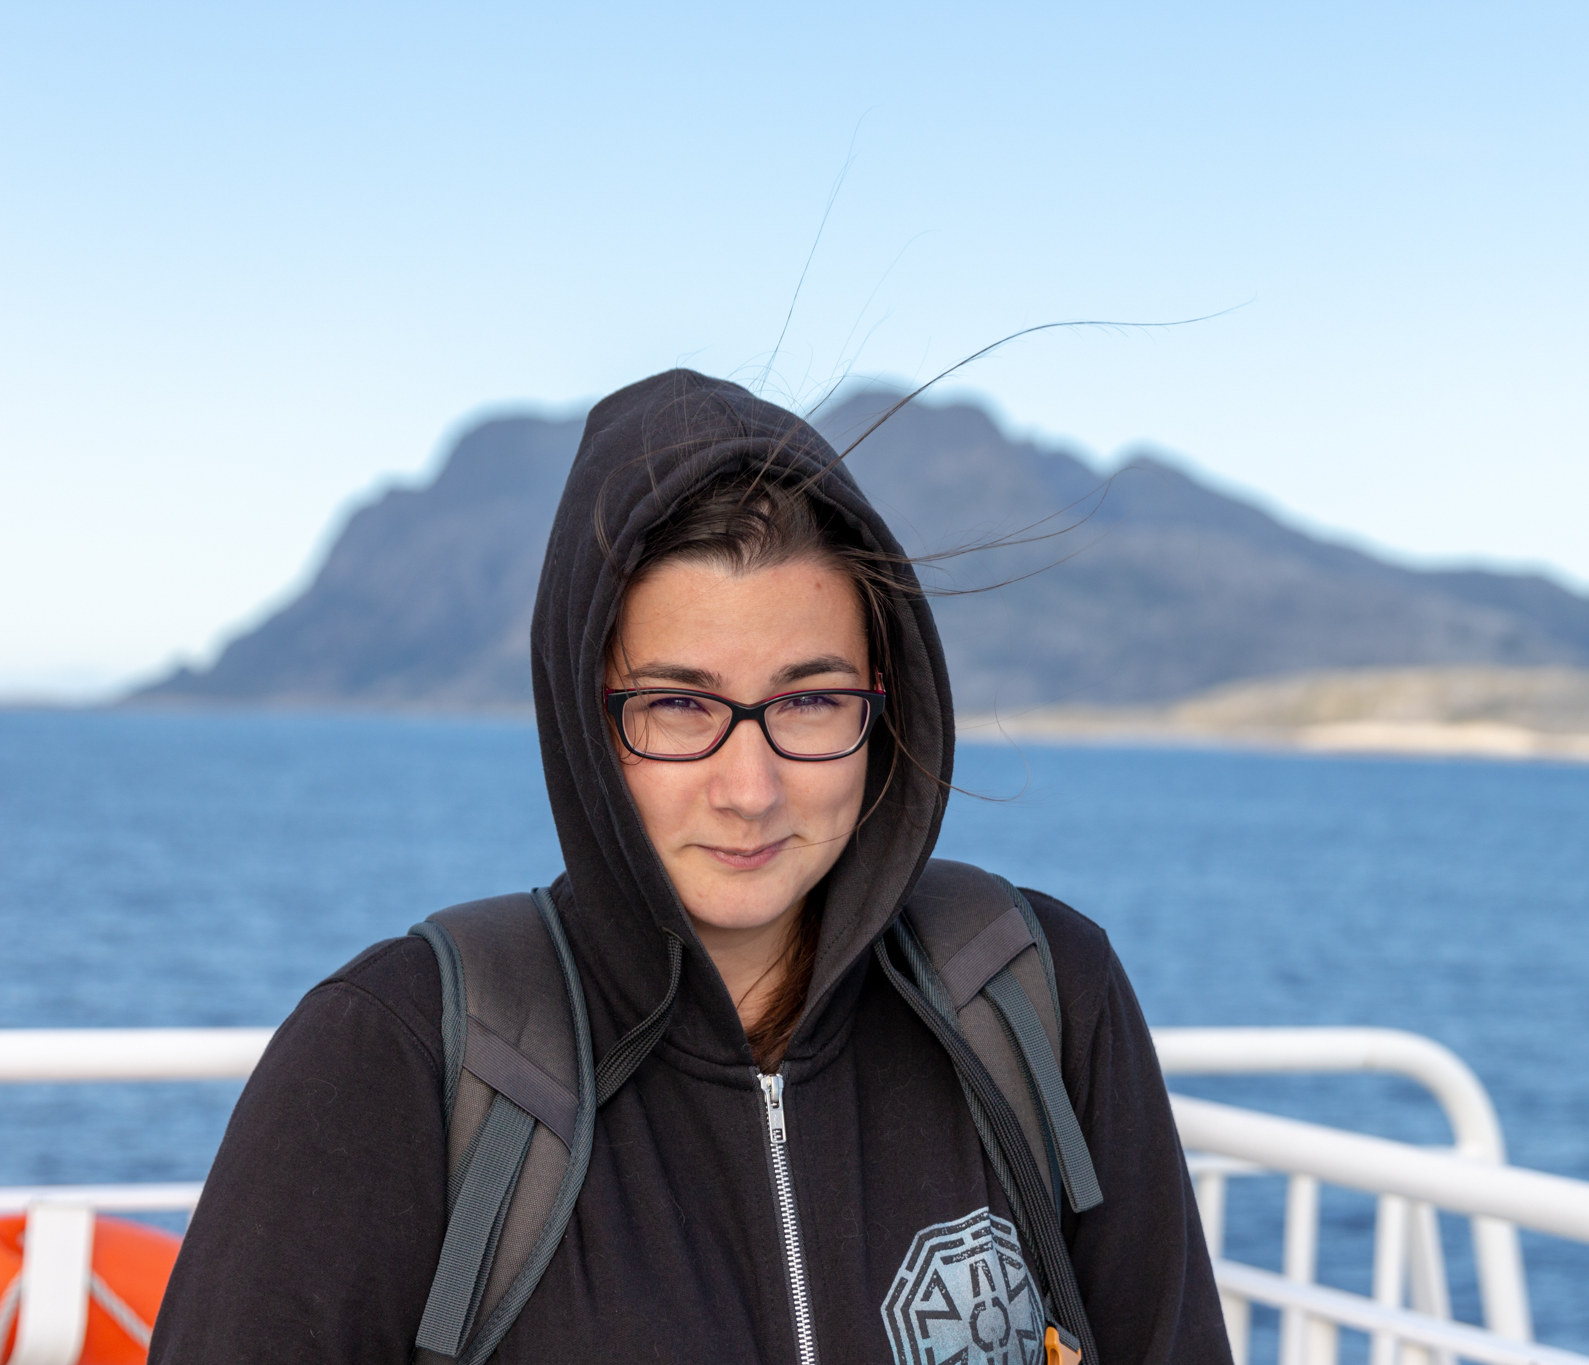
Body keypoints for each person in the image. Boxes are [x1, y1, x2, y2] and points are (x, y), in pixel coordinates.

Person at [151, 368, 1230, 1364]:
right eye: (678, 704)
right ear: (585, 721)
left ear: (882, 706)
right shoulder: (393, 1060)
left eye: (809, 700)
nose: (749, 788)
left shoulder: (1037, 998)